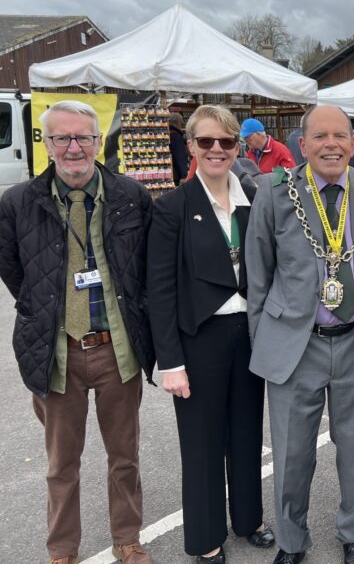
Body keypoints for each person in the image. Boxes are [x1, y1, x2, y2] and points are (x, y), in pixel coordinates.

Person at [0, 100, 155, 564]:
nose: (73, 147)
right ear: (46, 144)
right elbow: (11, 268)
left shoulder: (131, 195)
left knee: (123, 458)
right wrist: (41, 309)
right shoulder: (18, 202)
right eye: (62, 138)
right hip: (56, 350)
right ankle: (62, 550)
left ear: (97, 141)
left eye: (82, 137)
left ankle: (127, 539)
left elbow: (144, 267)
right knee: (60, 465)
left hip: (117, 350)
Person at [245, 105, 354, 564]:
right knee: (292, 455)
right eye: (320, 136)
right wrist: (265, 341)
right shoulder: (274, 192)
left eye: (341, 136)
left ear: (353, 145)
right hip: (296, 342)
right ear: (303, 145)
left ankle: (353, 534)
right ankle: (292, 542)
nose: (331, 144)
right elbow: (258, 275)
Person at [147, 105, 274, 563]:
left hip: (248, 336)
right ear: (191, 147)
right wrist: (171, 363)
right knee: (201, 443)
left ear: (238, 146)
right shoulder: (172, 208)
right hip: (198, 341)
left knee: (246, 432)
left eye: (226, 142)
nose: (217, 150)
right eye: (206, 142)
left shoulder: (253, 200)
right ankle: (204, 537)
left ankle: (248, 519)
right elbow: (159, 291)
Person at [169, 112, 189, 185]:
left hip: (169, 171)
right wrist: (184, 175)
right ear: (178, 122)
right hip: (176, 174)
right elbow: (180, 156)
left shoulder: (168, 134)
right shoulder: (176, 136)